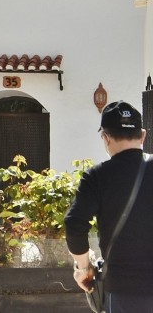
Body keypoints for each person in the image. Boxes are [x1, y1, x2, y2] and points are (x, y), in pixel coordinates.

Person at [65, 101, 153, 310]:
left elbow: (74, 224)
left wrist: (84, 268)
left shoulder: (96, 176)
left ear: (105, 138)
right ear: (142, 135)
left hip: (123, 290)